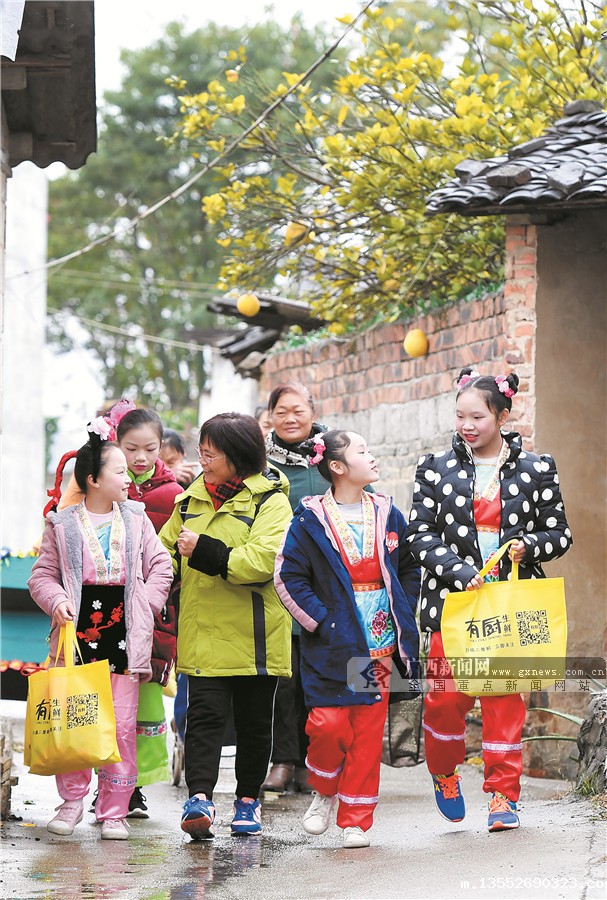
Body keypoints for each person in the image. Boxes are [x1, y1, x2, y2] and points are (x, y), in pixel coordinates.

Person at [406, 366, 573, 833]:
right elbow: (418, 535)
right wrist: (461, 573)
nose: (467, 425)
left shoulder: (537, 468)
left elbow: (560, 534)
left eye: (477, 417)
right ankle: (444, 771)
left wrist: (528, 546)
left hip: (509, 606)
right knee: (444, 700)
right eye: (460, 416)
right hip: (452, 607)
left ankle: (504, 795)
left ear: (501, 416)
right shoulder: (433, 467)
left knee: (504, 703)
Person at [274, 430, 420, 848]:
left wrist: (403, 606)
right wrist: (321, 622)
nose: (372, 456)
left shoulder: (388, 513)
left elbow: (408, 566)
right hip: (333, 644)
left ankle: (355, 819)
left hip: (381, 644)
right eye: (362, 451)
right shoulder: (309, 519)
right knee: (328, 724)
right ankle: (324, 788)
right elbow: (287, 576)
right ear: (337, 466)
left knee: (368, 732)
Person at [27, 424, 173, 840]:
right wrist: (57, 600)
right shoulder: (62, 525)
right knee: (76, 719)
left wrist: (144, 605)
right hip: (76, 636)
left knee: (122, 726)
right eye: (120, 471)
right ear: (93, 479)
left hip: (125, 633)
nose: (129, 479)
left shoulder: (137, 519)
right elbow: (41, 577)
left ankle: (114, 811)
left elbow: (161, 566)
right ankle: (71, 802)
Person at [159, 412, 293, 839]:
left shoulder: (271, 502)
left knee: (254, 724)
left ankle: (248, 801)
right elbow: (163, 556)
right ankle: (199, 799)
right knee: (203, 719)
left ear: (238, 456)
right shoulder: (189, 502)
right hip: (203, 632)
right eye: (201, 450)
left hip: (256, 636)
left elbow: (262, 562)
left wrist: (204, 550)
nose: (202, 459)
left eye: (210, 453)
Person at [114, 408, 183, 817]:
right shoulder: (102, 487)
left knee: (145, 700)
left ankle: (135, 786)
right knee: (107, 700)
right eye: (131, 448)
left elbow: (174, 563)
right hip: (106, 610)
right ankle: (107, 785)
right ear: (116, 445)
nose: (140, 458)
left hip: (155, 612)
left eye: (150, 449)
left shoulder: (173, 495)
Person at [262, 382, 329, 794]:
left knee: (318, 674)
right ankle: (283, 760)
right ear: (270, 416)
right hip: (277, 582)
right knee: (283, 678)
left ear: (312, 412)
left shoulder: (332, 455)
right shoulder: (261, 463)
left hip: (327, 586)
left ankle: (314, 760)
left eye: (298, 410)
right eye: (281, 411)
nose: (290, 418)